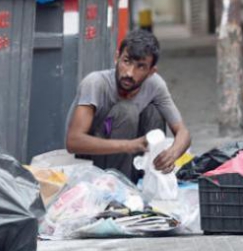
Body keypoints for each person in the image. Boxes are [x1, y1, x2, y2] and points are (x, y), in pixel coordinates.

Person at [65, 29, 191, 183]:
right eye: (127, 61)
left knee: (154, 112)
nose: (130, 73)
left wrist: (172, 153)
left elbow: (183, 132)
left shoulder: (155, 85)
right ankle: (117, 188)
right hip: (94, 163)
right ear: (117, 57)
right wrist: (129, 145)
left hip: (129, 157)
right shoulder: (96, 83)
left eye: (141, 67)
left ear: (151, 71)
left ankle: (148, 181)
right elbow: (73, 142)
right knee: (126, 110)